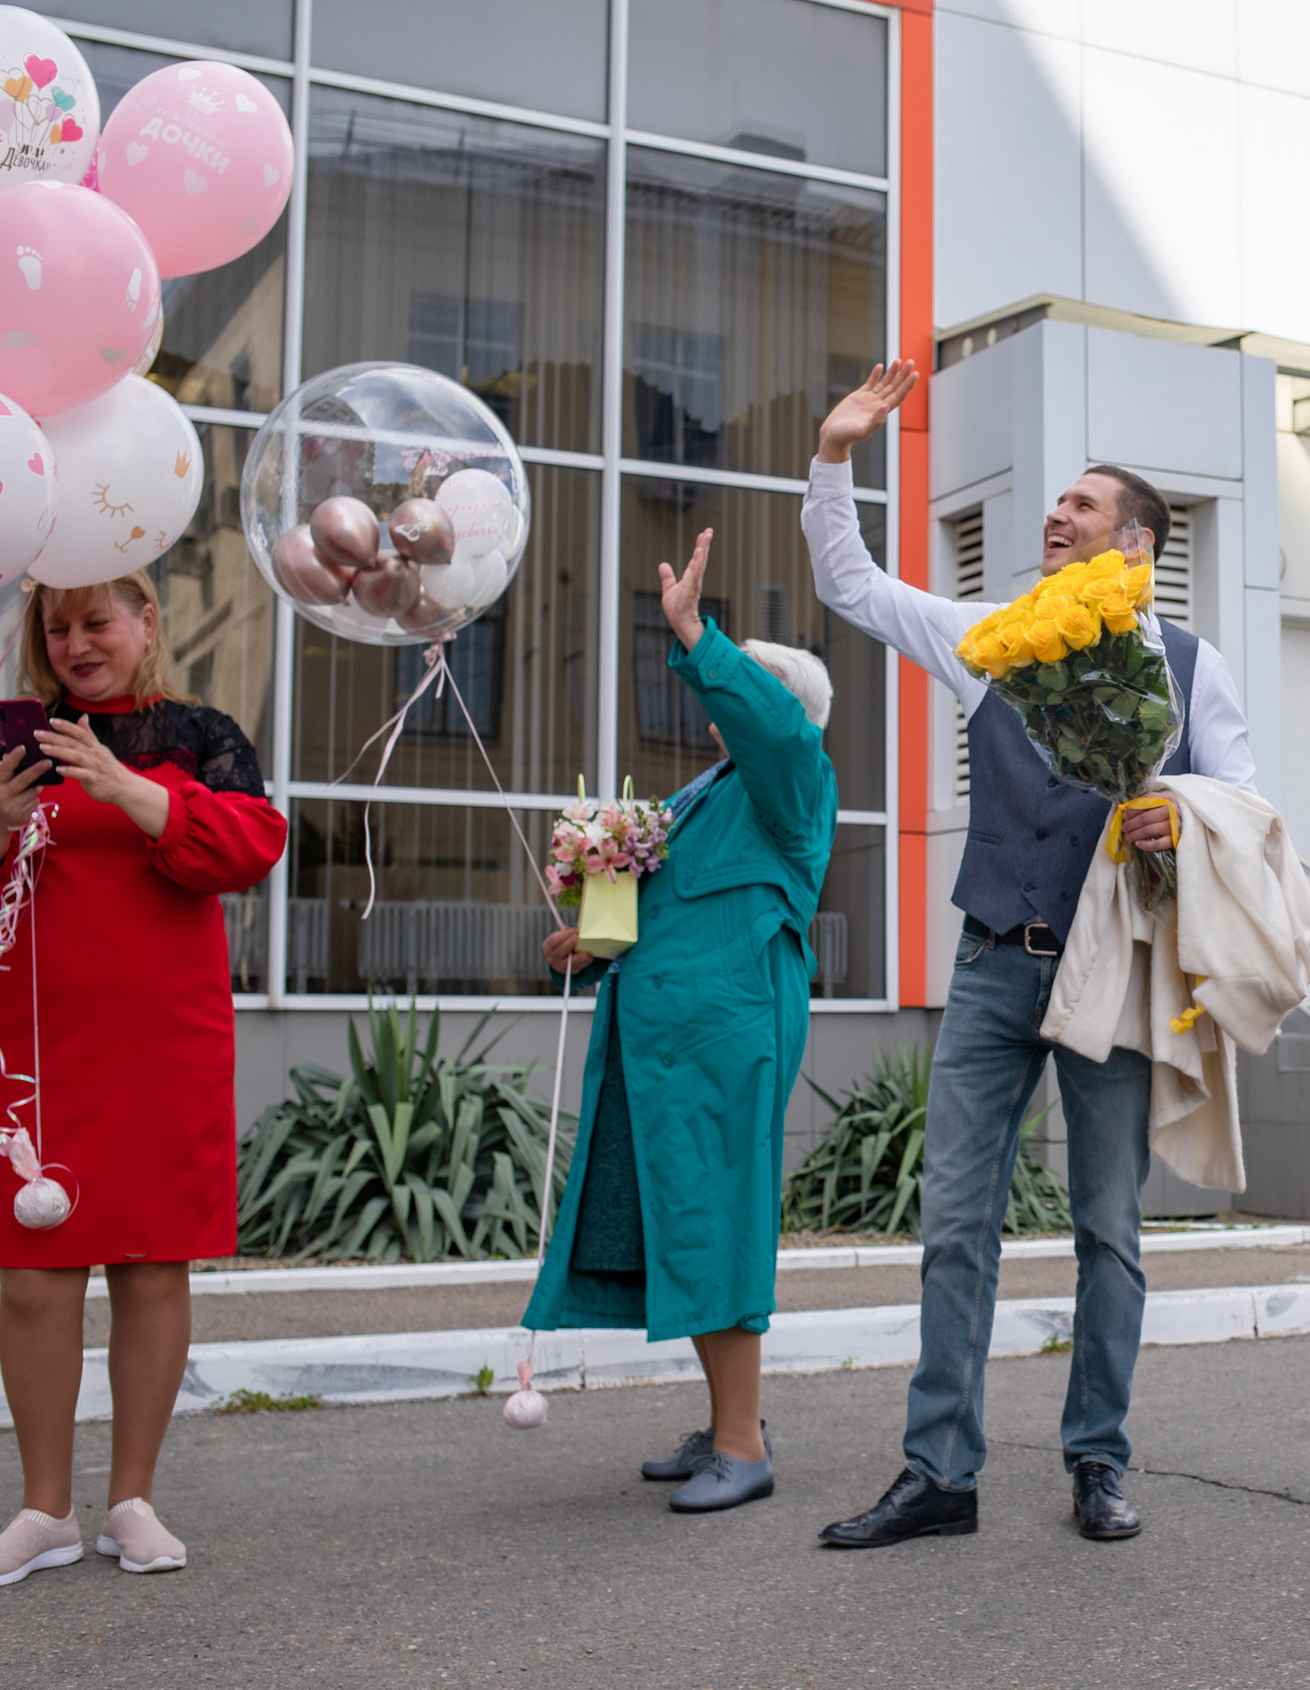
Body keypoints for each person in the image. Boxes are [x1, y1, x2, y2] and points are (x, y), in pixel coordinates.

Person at [806, 361, 1256, 1547]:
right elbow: (851, 586)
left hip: (1109, 974)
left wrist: (1181, 817)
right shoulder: (991, 640)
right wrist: (835, 454)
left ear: (1138, 545)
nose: (1055, 517)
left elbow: (1245, 807)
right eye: (1054, 505)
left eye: (1081, 506)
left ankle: (1097, 1461)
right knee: (956, 1221)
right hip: (994, 958)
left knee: (1108, 1226)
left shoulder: (1193, 667)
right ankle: (937, 1474)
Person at [0, 570, 287, 1587]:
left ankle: (132, 1501)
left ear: (146, 621)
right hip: (44, 1048)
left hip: (167, 1043)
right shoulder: (19, 747)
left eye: (97, 621)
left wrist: (125, 785)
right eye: (58, 626)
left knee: (153, 1266)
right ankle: (43, 1512)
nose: (77, 641)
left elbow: (250, 843)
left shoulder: (202, 735)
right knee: (37, 1279)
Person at [521, 528, 836, 1514]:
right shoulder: (707, 796)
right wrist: (589, 941)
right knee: (684, 1216)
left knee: (717, 1217)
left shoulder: (790, 779)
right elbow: (668, 911)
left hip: (724, 1034)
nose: (718, 699)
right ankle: (727, 1425)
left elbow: (772, 728)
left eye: (741, 683)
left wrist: (698, 634)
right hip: (664, 1032)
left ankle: (743, 1444)